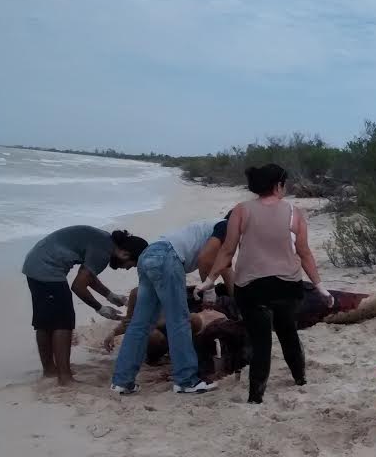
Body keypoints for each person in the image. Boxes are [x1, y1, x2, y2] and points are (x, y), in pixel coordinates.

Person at [196, 163, 332, 404]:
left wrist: (209, 280)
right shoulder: (295, 213)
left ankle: (255, 397)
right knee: (288, 333)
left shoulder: (240, 210)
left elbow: (227, 251)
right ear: (278, 185)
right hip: (288, 287)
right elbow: (304, 253)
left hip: (251, 289)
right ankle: (300, 379)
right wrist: (320, 286)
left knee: (260, 343)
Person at [110, 217, 232, 395]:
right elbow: (205, 260)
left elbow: (225, 267)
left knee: (140, 324)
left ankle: (121, 381)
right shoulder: (224, 226)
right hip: (167, 257)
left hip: (149, 256)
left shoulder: (207, 227)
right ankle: (186, 380)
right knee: (179, 321)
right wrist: (209, 291)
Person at [22, 226, 147, 385]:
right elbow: (78, 286)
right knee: (63, 322)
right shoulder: (103, 251)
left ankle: (50, 370)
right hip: (48, 268)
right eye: (132, 264)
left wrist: (109, 295)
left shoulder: (105, 241)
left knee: (45, 321)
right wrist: (100, 308)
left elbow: (87, 275)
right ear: (125, 253)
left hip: (36, 262)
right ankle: (65, 378)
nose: (128, 268)